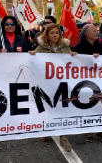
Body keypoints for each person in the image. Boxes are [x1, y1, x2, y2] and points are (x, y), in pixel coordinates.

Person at [29, 24, 72, 152]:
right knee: (48, 107)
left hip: (62, 83)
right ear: (46, 34)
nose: (54, 35)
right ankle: (46, 129)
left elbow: (72, 63)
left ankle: (63, 136)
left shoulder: (65, 47)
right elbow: (33, 63)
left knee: (62, 108)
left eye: (57, 33)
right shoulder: (40, 48)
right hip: (46, 83)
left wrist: (74, 56)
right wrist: (32, 55)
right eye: (52, 33)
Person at [71, 24, 102, 144]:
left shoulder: (101, 45)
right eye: (95, 31)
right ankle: (88, 130)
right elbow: (73, 63)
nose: (97, 32)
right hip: (86, 81)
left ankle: (100, 131)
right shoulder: (79, 47)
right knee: (89, 103)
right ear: (87, 34)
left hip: (100, 79)